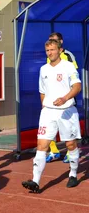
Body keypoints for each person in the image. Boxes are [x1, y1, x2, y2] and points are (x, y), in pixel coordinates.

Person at [22, 39, 81, 193]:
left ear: (60, 50)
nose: (50, 53)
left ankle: (73, 174)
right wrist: (45, 107)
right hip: (48, 111)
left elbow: (77, 86)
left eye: (53, 50)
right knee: (42, 145)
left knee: (70, 144)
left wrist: (65, 98)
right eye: (47, 50)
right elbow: (42, 91)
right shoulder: (43, 69)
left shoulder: (68, 66)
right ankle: (35, 181)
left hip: (67, 111)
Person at [45, 32, 79, 164]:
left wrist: (67, 97)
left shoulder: (68, 56)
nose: (51, 49)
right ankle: (54, 151)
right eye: (49, 42)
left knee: (68, 129)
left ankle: (71, 153)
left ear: (61, 43)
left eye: (54, 41)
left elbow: (74, 80)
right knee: (49, 127)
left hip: (66, 100)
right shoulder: (49, 58)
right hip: (52, 101)